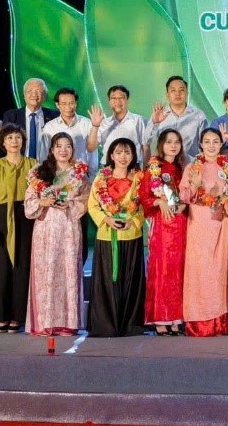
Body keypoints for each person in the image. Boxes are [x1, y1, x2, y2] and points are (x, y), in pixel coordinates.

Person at [24, 133, 89, 336]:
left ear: (72, 150)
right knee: (46, 273)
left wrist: (70, 203)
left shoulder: (79, 174)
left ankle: (68, 323)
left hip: (69, 228)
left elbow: (87, 200)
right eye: (59, 146)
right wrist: (42, 202)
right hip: (46, 228)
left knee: (68, 271)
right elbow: (28, 204)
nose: (63, 150)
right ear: (52, 149)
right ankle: (45, 322)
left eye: (67, 146)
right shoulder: (39, 173)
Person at [179, 127, 228, 336]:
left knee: (220, 270)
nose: (211, 145)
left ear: (221, 144)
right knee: (200, 270)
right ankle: (200, 321)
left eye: (215, 141)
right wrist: (195, 186)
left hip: (221, 223)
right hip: (199, 223)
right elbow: (184, 197)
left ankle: (220, 321)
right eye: (207, 141)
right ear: (201, 144)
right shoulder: (192, 167)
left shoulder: (227, 168)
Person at [87, 138, 147, 337]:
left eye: (127, 152)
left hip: (131, 236)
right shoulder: (101, 178)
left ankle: (130, 324)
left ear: (133, 156)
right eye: (119, 152)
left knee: (131, 281)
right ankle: (106, 325)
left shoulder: (139, 178)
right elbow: (92, 205)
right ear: (111, 156)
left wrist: (134, 221)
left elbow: (144, 205)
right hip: (107, 235)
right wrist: (106, 218)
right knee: (107, 282)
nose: (123, 157)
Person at [0, 125, 35, 333]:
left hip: (25, 216)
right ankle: (1, 315)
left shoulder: (32, 164)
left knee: (22, 265)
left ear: (23, 141)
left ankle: (18, 316)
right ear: (2, 143)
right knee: (0, 266)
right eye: (9, 138)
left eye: (17, 137)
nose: (14, 141)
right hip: (1, 216)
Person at [139, 129, 188, 335]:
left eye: (177, 142)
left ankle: (176, 318)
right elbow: (144, 196)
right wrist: (159, 202)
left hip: (181, 225)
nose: (173, 146)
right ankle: (160, 318)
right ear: (161, 145)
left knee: (179, 270)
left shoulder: (182, 169)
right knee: (163, 269)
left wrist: (184, 205)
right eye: (169, 142)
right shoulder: (154, 168)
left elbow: (188, 195)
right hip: (162, 225)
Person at [146, 75, 207, 165]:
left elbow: (205, 143)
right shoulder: (159, 115)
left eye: (181, 90)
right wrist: (155, 123)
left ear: (187, 93)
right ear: (167, 95)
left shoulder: (198, 115)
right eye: (173, 90)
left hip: (191, 166)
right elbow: (146, 141)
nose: (178, 94)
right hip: (164, 166)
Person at [90, 85, 148, 168]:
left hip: (132, 168)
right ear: (109, 101)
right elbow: (91, 148)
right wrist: (95, 126)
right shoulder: (103, 123)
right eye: (113, 98)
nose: (117, 101)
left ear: (127, 99)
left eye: (121, 97)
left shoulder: (139, 120)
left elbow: (145, 147)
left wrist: (146, 170)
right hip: (108, 168)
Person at [1, 78, 55, 161]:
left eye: (38, 91)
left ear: (44, 96)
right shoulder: (11, 116)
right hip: (18, 164)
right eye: (30, 91)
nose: (34, 94)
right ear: (24, 95)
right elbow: (3, 143)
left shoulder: (54, 116)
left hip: (46, 165)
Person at [40, 87, 96, 168]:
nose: (68, 107)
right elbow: (44, 154)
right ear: (57, 105)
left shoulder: (87, 123)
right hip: (57, 172)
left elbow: (93, 152)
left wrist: (92, 174)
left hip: (82, 172)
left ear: (76, 103)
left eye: (71, 103)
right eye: (64, 104)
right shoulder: (50, 126)